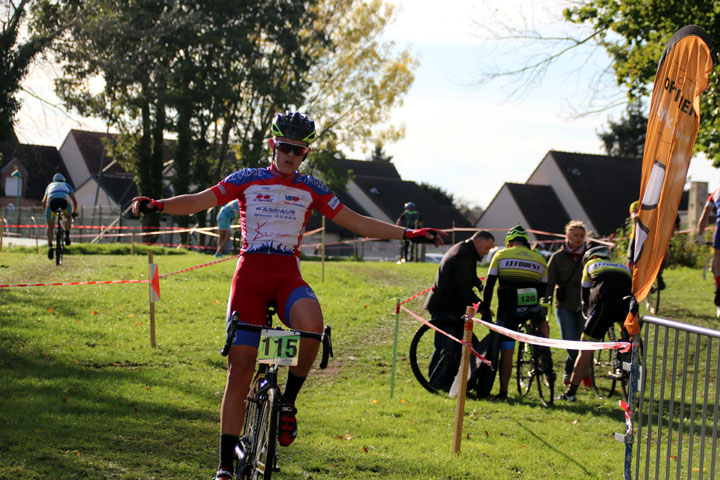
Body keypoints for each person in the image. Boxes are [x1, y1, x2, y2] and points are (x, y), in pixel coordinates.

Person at [130, 111, 446, 480]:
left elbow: (357, 222)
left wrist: (407, 234)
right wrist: (159, 205)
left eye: (298, 150)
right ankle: (224, 467)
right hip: (250, 276)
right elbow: (201, 201)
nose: (291, 155)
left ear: (305, 153)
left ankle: (288, 404)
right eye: (284, 147)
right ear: (272, 146)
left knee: (313, 326)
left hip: (287, 277)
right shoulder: (247, 179)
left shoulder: (311, 187)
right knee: (240, 370)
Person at [481, 225, 549, 401]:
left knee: (507, 351)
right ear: (526, 242)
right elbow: (544, 289)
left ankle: (503, 391)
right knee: (543, 322)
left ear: (509, 243)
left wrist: (485, 308)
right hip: (531, 309)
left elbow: (489, 285)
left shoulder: (501, 255)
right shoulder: (540, 259)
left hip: (508, 310)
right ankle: (544, 354)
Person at [422, 230, 495, 391]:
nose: (486, 252)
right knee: (446, 349)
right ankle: (437, 384)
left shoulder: (464, 251)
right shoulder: (464, 256)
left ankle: (446, 383)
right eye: (487, 248)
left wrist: (477, 283)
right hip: (446, 308)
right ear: (478, 241)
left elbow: (466, 278)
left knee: (455, 347)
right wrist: (482, 307)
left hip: (450, 308)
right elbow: (463, 289)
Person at [556, 245, 631, 402]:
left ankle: (571, 392)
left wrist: (587, 314)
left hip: (604, 305)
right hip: (626, 303)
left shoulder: (590, 265)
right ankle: (626, 357)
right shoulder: (622, 266)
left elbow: (585, 295)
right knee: (629, 337)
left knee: (585, 347)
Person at [544, 220, 587, 386]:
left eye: (581, 236)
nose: (578, 238)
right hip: (564, 305)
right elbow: (549, 281)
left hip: (584, 305)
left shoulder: (589, 256)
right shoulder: (557, 257)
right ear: (567, 236)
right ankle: (581, 371)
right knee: (569, 341)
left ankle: (570, 374)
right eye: (575, 235)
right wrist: (545, 300)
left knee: (581, 342)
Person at [42, 173, 77, 260]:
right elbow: (74, 202)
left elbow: (43, 202)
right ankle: (67, 235)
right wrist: (73, 213)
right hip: (64, 201)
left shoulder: (50, 186)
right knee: (68, 218)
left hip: (51, 203)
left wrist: (45, 212)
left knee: (50, 226)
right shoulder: (67, 185)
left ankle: (50, 245)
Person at [696, 189, 720, 309]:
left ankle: (718, 286)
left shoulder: (715, 194)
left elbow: (705, 215)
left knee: (717, 257)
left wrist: (699, 235)